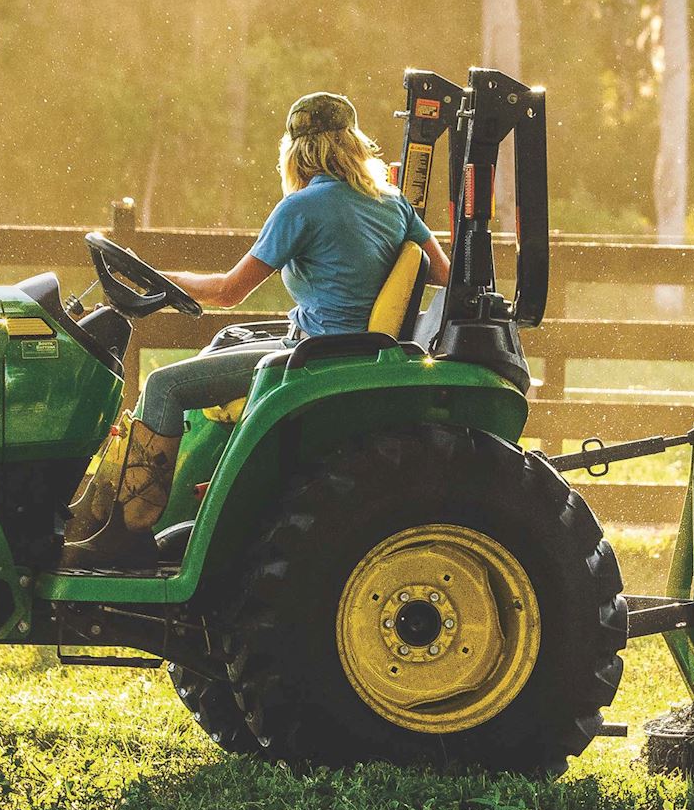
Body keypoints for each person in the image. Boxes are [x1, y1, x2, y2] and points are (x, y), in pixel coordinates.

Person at [61, 90, 453, 568]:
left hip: (313, 358)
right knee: (225, 344)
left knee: (164, 385)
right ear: (351, 143)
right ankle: (167, 511)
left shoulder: (303, 207)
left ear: (296, 149)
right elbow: (443, 273)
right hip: (349, 350)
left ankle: (127, 535)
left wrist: (161, 281)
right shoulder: (393, 204)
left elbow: (228, 291)